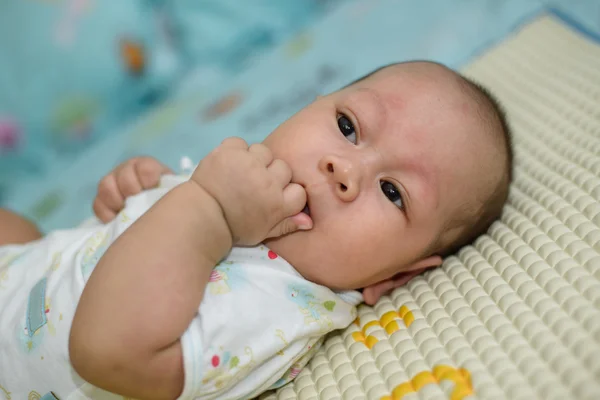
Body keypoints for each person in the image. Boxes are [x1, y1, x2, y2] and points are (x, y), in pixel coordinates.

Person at [0, 61, 512, 399]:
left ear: (395, 277)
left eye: (394, 192)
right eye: (348, 127)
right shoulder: (242, 191)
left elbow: (105, 350)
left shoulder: (273, 307)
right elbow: (137, 245)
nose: (345, 169)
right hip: (28, 267)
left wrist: (210, 210)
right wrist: (140, 194)